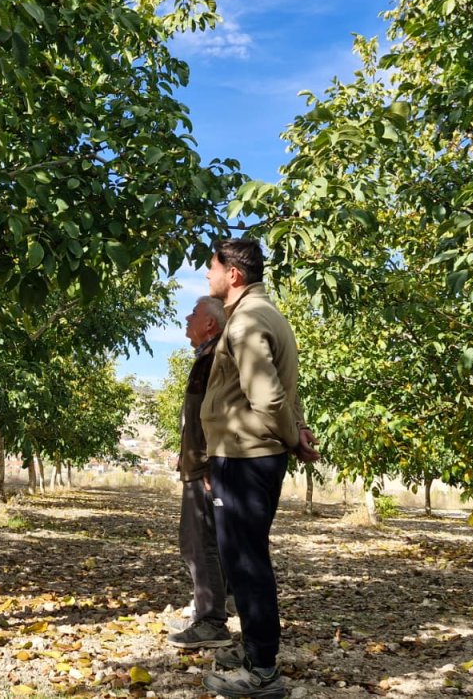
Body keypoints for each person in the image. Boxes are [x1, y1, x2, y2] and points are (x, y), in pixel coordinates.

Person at [199, 238, 318, 699]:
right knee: (244, 557)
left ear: (234, 274)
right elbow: (286, 387)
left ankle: (263, 670)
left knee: (246, 562)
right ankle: (253, 649)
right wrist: (299, 428)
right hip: (251, 454)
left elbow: (268, 398)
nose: (207, 277)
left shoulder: (246, 321)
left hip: (247, 457)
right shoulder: (267, 314)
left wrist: (291, 436)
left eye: (211, 268)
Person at [167, 296, 232, 651]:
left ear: (210, 323)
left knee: (199, 543)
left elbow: (218, 415)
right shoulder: (206, 358)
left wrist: (207, 463)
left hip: (205, 468)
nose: (187, 317)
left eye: (193, 313)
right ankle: (207, 610)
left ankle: (211, 622)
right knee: (202, 541)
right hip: (198, 464)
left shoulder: (215, 359)